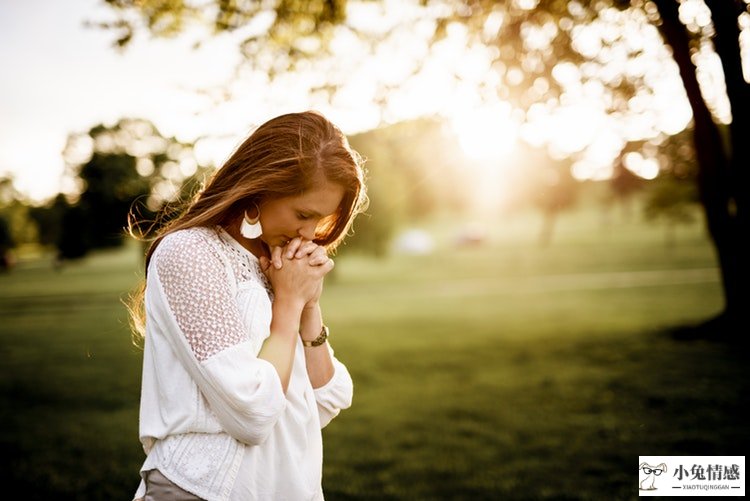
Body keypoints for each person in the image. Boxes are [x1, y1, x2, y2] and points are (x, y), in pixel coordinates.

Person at [127, 110, 368, 500]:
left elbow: (327, 398)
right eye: (303, 214)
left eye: (320, 219)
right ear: (259, 189)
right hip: (202, 490)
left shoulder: (277, 263)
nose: (309, 233)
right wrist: (288, 304)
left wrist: (308, 305)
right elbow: (254, 411)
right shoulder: (191, 254)